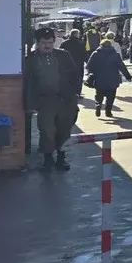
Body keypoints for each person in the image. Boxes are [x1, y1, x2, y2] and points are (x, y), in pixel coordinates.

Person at [24, 27, 80, 170]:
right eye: (44, 43)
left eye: (50, 42)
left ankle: (61, 158)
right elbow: (28, 83)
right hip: (45, 101)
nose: (47, 46)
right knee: (47, 130)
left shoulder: (63, 55)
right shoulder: (31, 59)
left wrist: (75, 95)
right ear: (37, 42)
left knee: (64, 130)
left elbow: (75, 75)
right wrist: (30, 105)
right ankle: (48, 159)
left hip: (65, 100)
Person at [87, 33, 132, 118]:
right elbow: (121, 66)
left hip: (99, 78)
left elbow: (89, 66)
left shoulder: (96, 53)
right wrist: (128, 76)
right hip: (112, 79)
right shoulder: (115, 54)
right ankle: (108, 111)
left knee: (99, 94)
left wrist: (92, 72)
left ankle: (98, 104)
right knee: (111, 96)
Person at [60, 29, 86, 95]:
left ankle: (68, 92)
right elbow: (84, 54)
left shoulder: (64, 43)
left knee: (67, 78)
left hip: (67, 64)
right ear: (76, 35)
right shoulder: (81, 43)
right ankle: (77, 93)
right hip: (78, 64)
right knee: (78, 79)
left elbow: (60, 53)